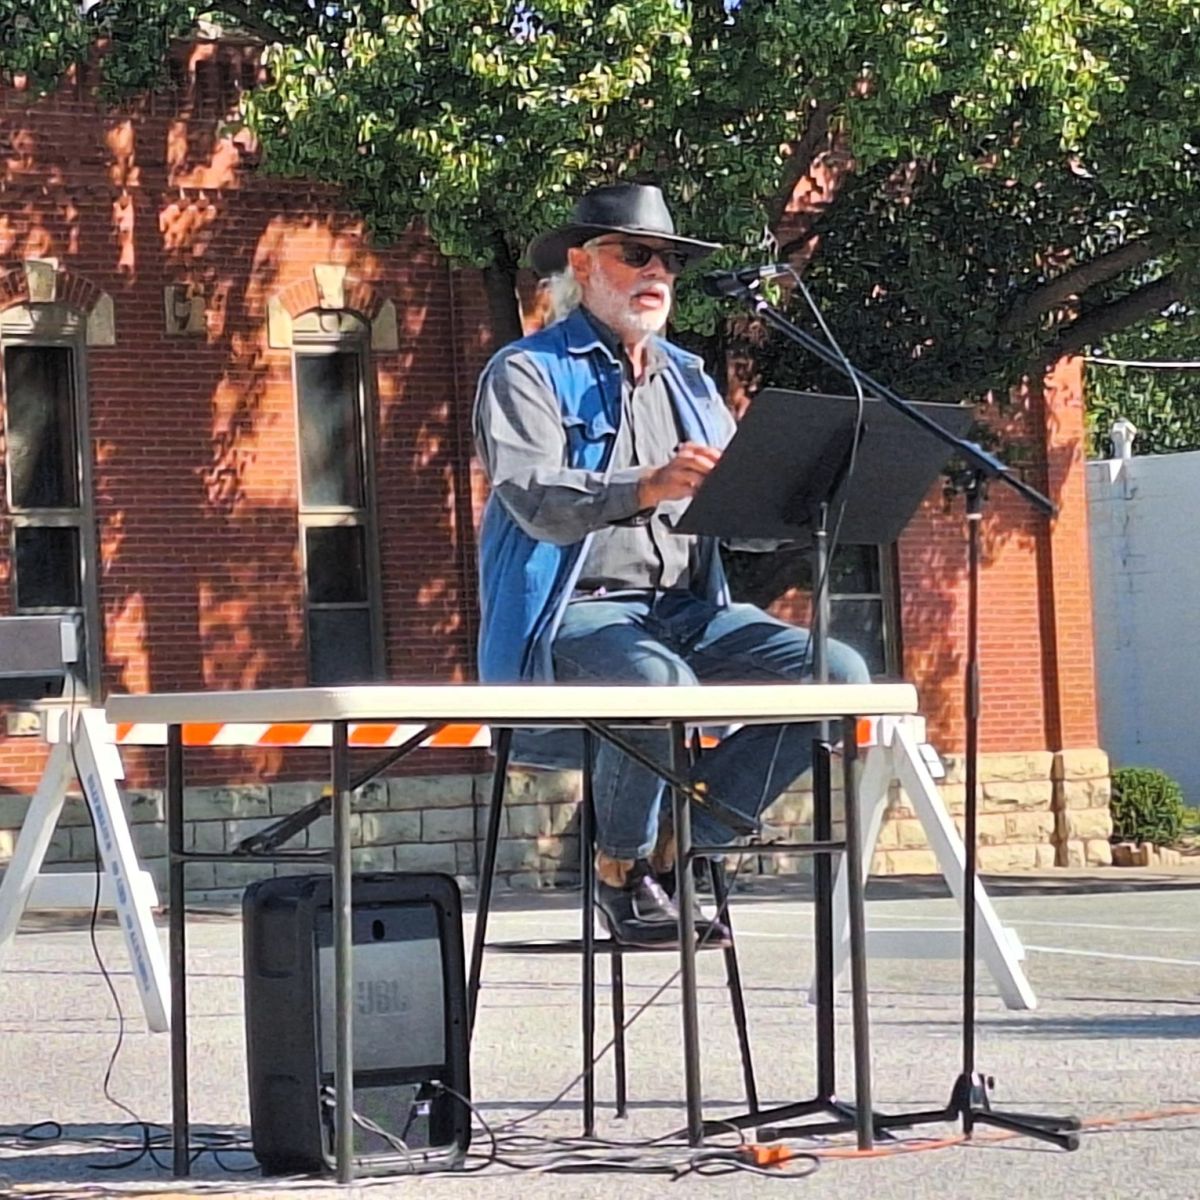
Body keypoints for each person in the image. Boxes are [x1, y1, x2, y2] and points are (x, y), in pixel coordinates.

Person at [473, 182, 870, 947]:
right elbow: (533, 497)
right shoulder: (525, 371)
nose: (658, 271)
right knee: (657, 682)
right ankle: (620, 869)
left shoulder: (689, 378)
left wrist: (799, 501)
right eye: (637, 255)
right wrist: (645, 484)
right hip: (576, 614)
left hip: (685, 611)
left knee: (841, 675)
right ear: (584, 265)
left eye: (671, 260)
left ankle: (682, 843)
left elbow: (736, 526)